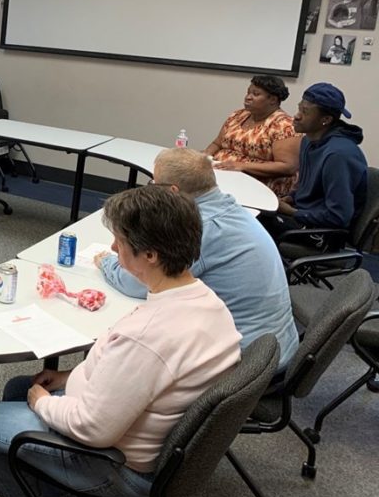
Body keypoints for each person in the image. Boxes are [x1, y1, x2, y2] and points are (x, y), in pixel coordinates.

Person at [0, 185, 241, 497]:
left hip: (112, 463)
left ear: (150, 255)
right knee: (19, 386)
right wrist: (66, 379)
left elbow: (93, 429)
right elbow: (134, 376)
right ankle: (53, 488)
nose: (112, 246)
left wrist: (43, 405)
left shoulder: (149, 336)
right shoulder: (206, 301)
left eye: (120, 241)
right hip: (143, 436)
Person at [95, 148, 299, 370]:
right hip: (275, 345)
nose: (150, 188)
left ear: (173, 191)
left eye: (153, 184)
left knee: (129, 353)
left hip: (246, 363)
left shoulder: (201, 228)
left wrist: (106, 261)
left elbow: (136, 284)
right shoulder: (230, 210)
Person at [261, 82, 368, 248]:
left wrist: (291, 211)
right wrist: (290, 199)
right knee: (247, 215)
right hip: (304, 217)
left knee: (252, 227)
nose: (296, 116)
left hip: (326, 234)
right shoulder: (308, 141)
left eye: (305, 112)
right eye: (299, 108)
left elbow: (339, 216)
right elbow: (308, 191)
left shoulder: (338, 155)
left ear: (325, 120)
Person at [204, 75, 300, 196]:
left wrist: (242, 166)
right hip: (224, 174)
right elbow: (217, 143)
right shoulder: (238, 115)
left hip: (257, 183)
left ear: (273, 100)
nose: (248, 97)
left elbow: (287, 167)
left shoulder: (284, 125)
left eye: (255, 94)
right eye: (248, 93)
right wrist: (205, 156)